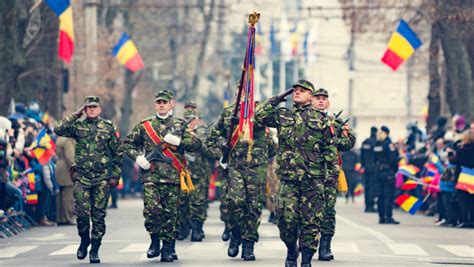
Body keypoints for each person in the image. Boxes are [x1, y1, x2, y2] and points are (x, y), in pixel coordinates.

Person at [256, 79, 332, 267]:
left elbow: (329, 150)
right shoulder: (283, 115)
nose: (296, 92)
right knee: (286, 220)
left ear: (311, 96)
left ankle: (306, 259)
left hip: (313, 181)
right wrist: (277, 98)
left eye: (302, 90)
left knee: (310, 223)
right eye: (295, 90)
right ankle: (291, 250)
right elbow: (259, 117)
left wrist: (330, 179)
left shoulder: (322, 120)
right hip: (289, 180)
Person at [122, 90, 200, 262]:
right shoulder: (145, 126)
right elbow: (127, 144)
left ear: (171, 103)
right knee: (152, 211)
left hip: (173, 177)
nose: (161, 105)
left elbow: (196, 144)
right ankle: (155, 241)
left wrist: (179, 142)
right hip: (151, 176)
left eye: (165, 102)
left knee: (171, 214)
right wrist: (138, 157)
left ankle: (168, 247)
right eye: (159, 102)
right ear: (155, 104)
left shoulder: (180, 125)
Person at [55, 96, 122, 264]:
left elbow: (118, 153)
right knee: (82, 215)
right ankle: (84, 240)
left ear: (99, 109)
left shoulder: (107, 127)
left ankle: (95, 249)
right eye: (88, 107)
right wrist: (76, 114)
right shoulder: (78, 126)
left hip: (101, 178)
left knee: (98, 216)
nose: (91, 110)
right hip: (82, 177)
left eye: (94, 107)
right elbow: (58, 129)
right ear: (85, 110)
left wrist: (115, 175)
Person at [206, 99, 269, 261]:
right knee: (234, 203)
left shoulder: (260, 112)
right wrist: (223, 145)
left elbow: (272, 143)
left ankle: (248, 245)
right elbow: (214, 136)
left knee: (253, 207)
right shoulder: (229, 113)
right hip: (235, 167)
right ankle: (235, 233)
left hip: (256, 167)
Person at [312, 88, 356, 261]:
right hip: (308, 174)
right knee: (306, 213)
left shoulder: (333, 123)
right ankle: (306, 245)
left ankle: (325, 247)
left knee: (328, 212)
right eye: (318, 98)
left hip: (328, 175)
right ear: (312, 101)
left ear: (328, 103)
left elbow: (347, 144)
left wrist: (344, 132)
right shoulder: (302, 120)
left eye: (324, 99)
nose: (321, 101)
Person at [184, 110, 214, 242]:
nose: (188, 121)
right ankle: (183, 228)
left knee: (198, 202)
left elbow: (211, 151)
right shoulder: (178, 130)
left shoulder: (203, 132)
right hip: (182, 174)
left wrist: (196, 140)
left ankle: (197, 229)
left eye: (191, 118)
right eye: (186, 118)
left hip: (200, 173)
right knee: (182, 203)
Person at [373, 126, 400, 224]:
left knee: (380, 195)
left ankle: (381, 217)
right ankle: (388, 217)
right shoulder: (389, 144)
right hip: (388, 172)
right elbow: (393, 159)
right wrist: (395, 170)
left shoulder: (377, 144)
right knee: (388, 195)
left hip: (379, 172)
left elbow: (374, 159)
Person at [55, 136, 76, 226]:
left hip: (59, 166)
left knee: (60, 194)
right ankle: (69, 217)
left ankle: (60, 217)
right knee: (68, 194)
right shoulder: (68, 140)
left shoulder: (60, 138)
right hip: (67, 169)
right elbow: (70, 157)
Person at [360, 127, 378, 212]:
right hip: (373, 168)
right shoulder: (376, 142)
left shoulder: (365, 142)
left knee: (367, 186)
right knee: (372, 187)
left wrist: (362, 165)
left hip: (366, 168)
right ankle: (371, 205)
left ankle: (367, 206)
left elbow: (362, 155)